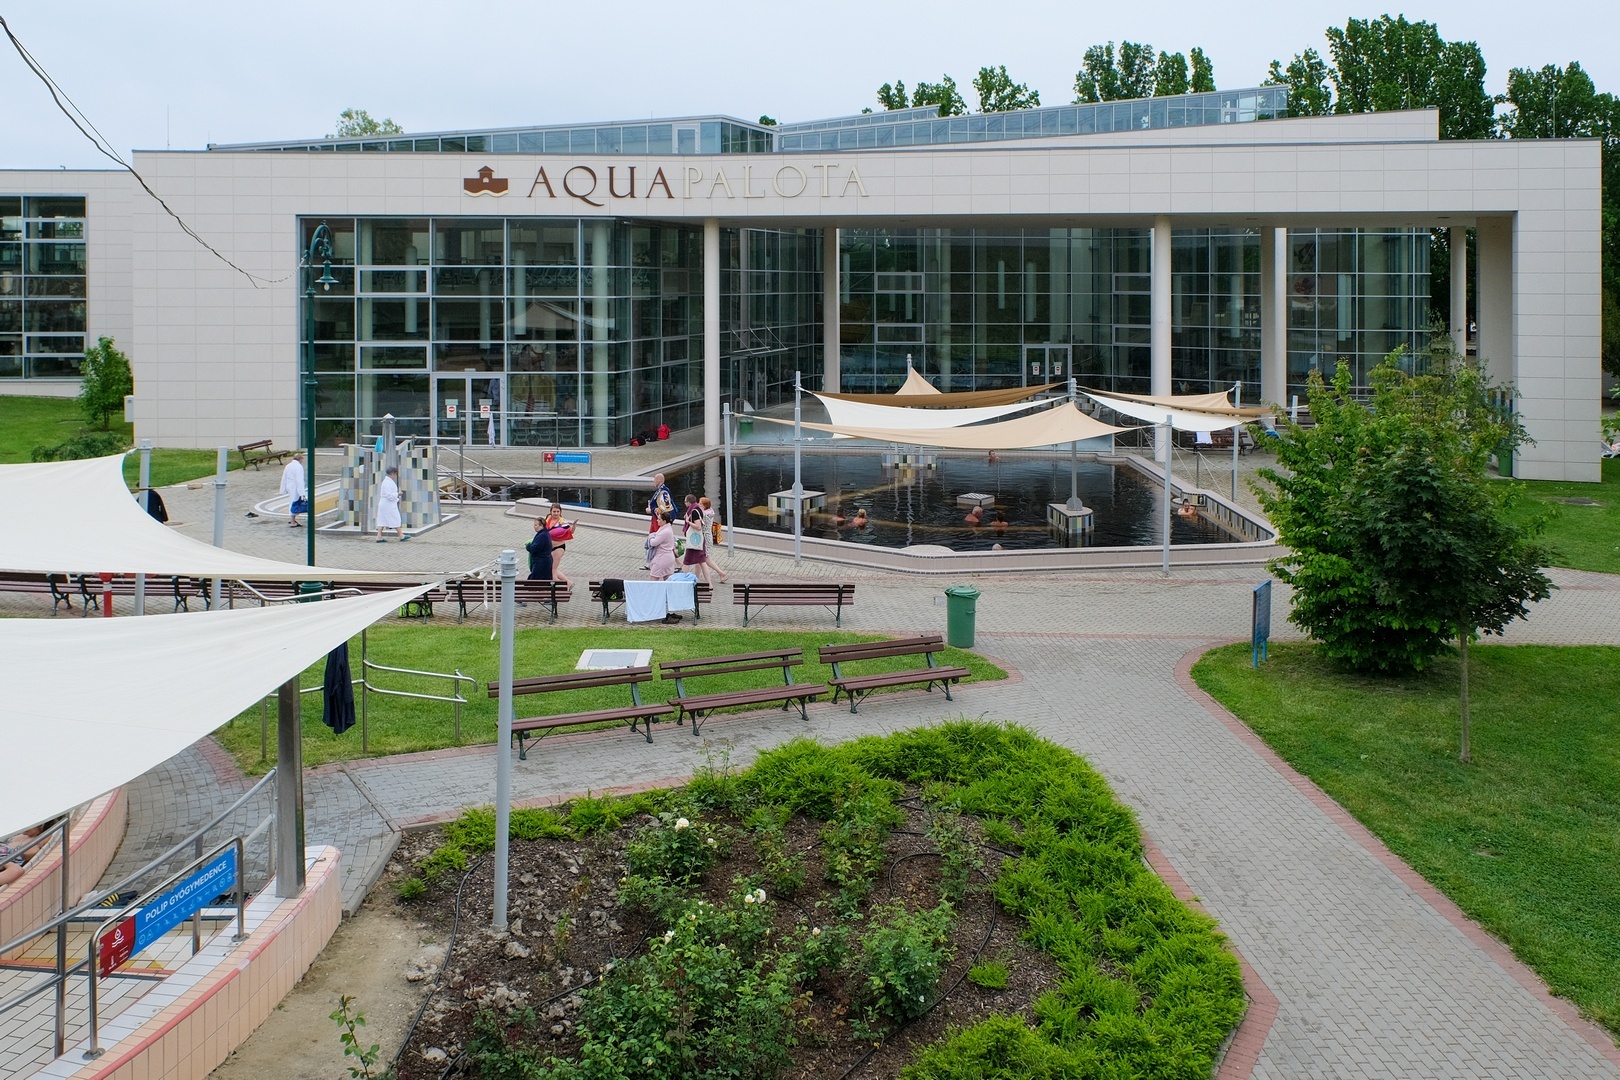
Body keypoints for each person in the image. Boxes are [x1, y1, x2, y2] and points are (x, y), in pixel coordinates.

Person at [682, 502, 727, 584]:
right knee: (701, 560)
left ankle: (720, 573)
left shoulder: (703, 514)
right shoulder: (710, 512)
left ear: (705, 505)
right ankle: (698, 578)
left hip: (703, 537)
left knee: (705, 559)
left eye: (701, 503)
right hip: (707, 536)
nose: (699, 504)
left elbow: (698, 524)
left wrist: (688, 519)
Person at [374, 466, 406, 542]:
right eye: (395, 474)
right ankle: (401, 535)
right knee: (395, 518)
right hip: (388, 504)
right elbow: (388, 495)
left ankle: (379, 536)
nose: (395, 476)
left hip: (386, 504)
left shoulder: (387, 482)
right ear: (392, 473)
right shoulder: (387, 483)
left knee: (382, 520)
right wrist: (397, 494)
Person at [545, 504, 574, 584]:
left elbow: (570, 531)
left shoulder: (562, 522)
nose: (556, 513)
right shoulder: (547, 520)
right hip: (550, 547)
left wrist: (574, 527)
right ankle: (568, 583)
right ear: (550, 512)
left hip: (559, 547)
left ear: (560, 512)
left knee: (553, 569)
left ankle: (557, 585)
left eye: (558, 511)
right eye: (554, 511)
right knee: (551, 568)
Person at [646, 510, 677, 580]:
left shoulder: (665, 531)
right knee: (667, 579)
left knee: (654, 578)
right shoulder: (667, 528)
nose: (657, 520)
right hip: (668, 557)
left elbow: (653, 543)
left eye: (659, 519)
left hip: (662, 558)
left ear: (664, 521)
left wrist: (650, 537)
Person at [281, 451, 308, 527]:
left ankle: (292, 519)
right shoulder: (298, 467)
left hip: (289, 485)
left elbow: (284, 477)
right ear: (300, 458)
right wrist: (302, 492)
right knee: (295, 502)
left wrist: (283, 488)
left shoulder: (288, 466)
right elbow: (299, 480)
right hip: (295, 486)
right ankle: (292, 521)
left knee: (292, 501)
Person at [525, 516, 553, 581]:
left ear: (541, 526)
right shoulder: (545, 533)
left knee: (533, 581)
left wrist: (528, 546)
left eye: (536, 525)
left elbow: (534, 549)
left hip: (541, 562)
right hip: (545, 561)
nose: (534, 527)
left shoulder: (542, 536)